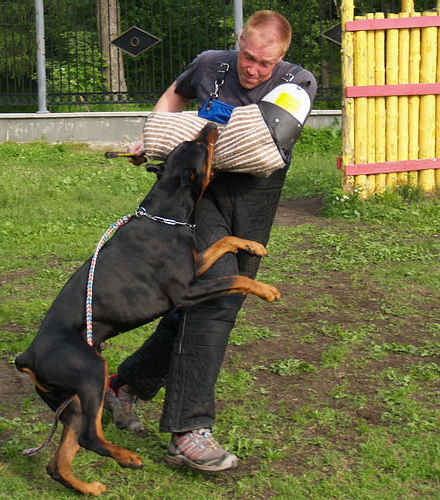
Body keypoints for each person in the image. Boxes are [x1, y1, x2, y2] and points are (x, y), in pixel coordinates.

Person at [104, 10, 317, 472]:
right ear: (239, 42)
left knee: (197, 306)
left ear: (281, 56)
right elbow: (173, 97)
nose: (253, 69)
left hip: (254, 200)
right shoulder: (208, 64)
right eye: (248, 56)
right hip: (196, 196)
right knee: (217, 297)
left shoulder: (298, 82)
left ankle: (123, 386)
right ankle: (188, 431)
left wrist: (191, 135)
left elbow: (262, 139)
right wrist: (154, 136)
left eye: (265, 62)